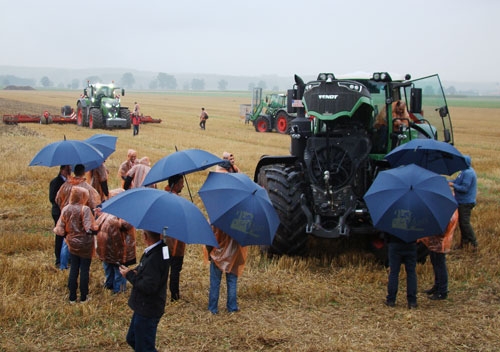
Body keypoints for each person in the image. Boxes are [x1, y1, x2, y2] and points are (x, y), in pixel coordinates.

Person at [205, 153, 247, 314]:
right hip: (235, 251)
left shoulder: (215, 213)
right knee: (232, 280)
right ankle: (232, 307)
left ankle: (213, 308)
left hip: (217, 252)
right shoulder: (239, 213)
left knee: (215, 282)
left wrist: (210, 252)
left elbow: (209, 235)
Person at [119, 230, 170, 351]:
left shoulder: (155, 256)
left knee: (144, 346)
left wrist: (129, 275)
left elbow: (149, 287)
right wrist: (136, 271)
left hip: (148, 308)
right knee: (132, 338)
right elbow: (154, 273)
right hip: (144, 306)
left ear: (145, 236)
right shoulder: (161, 249)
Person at [54, 187, 98, 303]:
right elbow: (89, 228)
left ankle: (72, 296)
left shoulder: (66, 209)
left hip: (72, 244)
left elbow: (60, 228)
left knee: (73, 268)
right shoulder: (85, 209)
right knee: (84, 269)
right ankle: (84, 296)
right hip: (85, 244)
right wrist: (98, 227)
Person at [95, 202, 134, 294]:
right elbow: (126, 225)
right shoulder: (121, 215)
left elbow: (96, 224)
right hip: (117, 248)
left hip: (105, 248)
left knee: (108, 266)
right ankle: (119, 289)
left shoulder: (106, 213)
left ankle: (109, 284)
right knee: (119, 269)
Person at [419, 208, 458, 300]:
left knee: (440, 265)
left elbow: (443, 230)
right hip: (434, 241)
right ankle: (437, 286)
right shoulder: (443, 208)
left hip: (441, 243)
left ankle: (442, 291)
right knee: (435, 263)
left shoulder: (448, 211)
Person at [164, 174, 186, 301]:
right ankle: (175, 296)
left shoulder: (163, 197)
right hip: (176, 244)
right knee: (175, 270)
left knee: (163, 268)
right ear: (176, 184)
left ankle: (161, 293)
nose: (183, 185)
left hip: (164, 241)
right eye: (181, 182)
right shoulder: (178, 202)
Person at [449, 155, 478, 249]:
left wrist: (452, 185)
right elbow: (456, 181)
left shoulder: (468, 173)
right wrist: (446, 181)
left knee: (465, 223)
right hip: (461, 201)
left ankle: (474, 243)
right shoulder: (463, 171)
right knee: (462, 223)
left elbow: (464, 188)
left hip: (465, 202)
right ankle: (464, 244)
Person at [385, 235, 418, 309]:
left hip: (395, 242)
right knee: (411, 272)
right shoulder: (414, 222)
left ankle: (391, 300)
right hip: (411, 244)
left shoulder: (391, 222)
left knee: (394, 272)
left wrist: (388, 240)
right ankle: (412, 301)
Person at [49, 165, 71, 268]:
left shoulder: (70, 182)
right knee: (60, 235)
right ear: (62, 170)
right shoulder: (55, 182)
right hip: (58, 212)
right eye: (67, 170)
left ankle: (66, 258)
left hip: (67, 212)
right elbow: (52, 198)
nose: (69, 171)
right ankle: (58, 259)